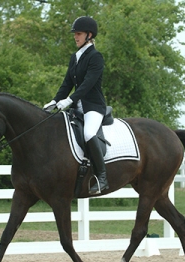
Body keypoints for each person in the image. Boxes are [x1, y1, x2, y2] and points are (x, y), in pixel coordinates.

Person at [43, 16, 108, 195]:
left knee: (88, 133)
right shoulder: (75, 57)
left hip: (93, 107)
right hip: (76, 109)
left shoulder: (96, 57)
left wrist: (70, 100)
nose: (75, 37)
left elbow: (87, 84)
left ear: (89, 35)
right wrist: (55, 100)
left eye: (78, 34)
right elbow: (66, 84)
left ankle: (102, 177)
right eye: (75, 34)